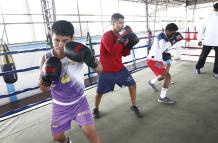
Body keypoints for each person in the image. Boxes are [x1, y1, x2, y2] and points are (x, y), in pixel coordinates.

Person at [38, 20, 103, 143]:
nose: (60, 44)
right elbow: (43, 89)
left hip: (80, 102)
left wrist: (90, 59)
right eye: (56, 40)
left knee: (91, 134)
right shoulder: (46, 57)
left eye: (65, 41)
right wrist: (46, 78)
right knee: (57, 137)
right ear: (51, 38)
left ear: (72, 38)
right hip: (60, 105)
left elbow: (100, 69)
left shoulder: (79, 51)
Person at [92, 13, 142, 118]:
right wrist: (122, 38)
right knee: (99, 92)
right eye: (120, 23)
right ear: (113, 23)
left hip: (119, 68)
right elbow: (113, 53)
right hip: (105, 70)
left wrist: (129, 45)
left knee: (132, 85)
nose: (122, 25)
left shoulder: (121, 36)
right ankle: (96, 108)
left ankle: (133, 105)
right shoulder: (107, 36)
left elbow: (124, 53)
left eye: (123, 23)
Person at [147, 23, 183, 104]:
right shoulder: (161, 37)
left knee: (163, 76)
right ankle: (162, 97)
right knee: (167, 77)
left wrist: (173, 42)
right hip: (153, 61)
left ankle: (151, 82)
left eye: (175, 32)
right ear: (167, 31)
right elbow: (162, 48)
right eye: (172, 32)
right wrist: (173, 41)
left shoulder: (168, 36)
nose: (174, 34)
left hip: (157, 60)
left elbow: (164, 49)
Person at [195, 3, 218, 77]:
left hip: (214, 41)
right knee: (203, 56)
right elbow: (202, 29)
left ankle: (216, 72)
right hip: (208, 41)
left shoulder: (207, 17)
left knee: (203, 56)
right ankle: (198, 67)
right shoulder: (208, 17)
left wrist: (199, 40)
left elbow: (201, 30)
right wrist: (199, 39)